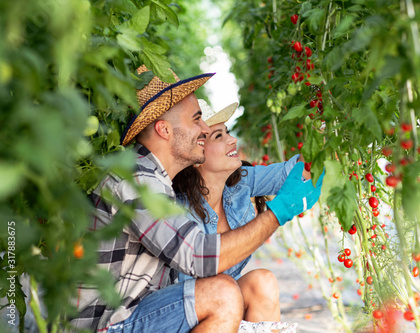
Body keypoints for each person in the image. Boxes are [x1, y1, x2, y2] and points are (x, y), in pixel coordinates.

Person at [71, 65, 323, 333]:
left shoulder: (158, 180)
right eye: (197, 119)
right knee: (222, 294)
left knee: (252, 284)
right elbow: (198, 256)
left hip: (138, 316)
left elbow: (295, 171)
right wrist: (277, 213)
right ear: (164, 130)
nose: (204, 128)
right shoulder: (135, 180)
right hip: (105, 326)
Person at [172, 99, 310, 325]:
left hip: (226, 302)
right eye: (218, 136)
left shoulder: (239, 183)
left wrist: (324, 134)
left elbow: (296, 173)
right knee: (224, 293)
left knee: (262, 282)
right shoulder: (178, 209)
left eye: (227, 132)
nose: (232, 140)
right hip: (184, 314)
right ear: (196, 152)